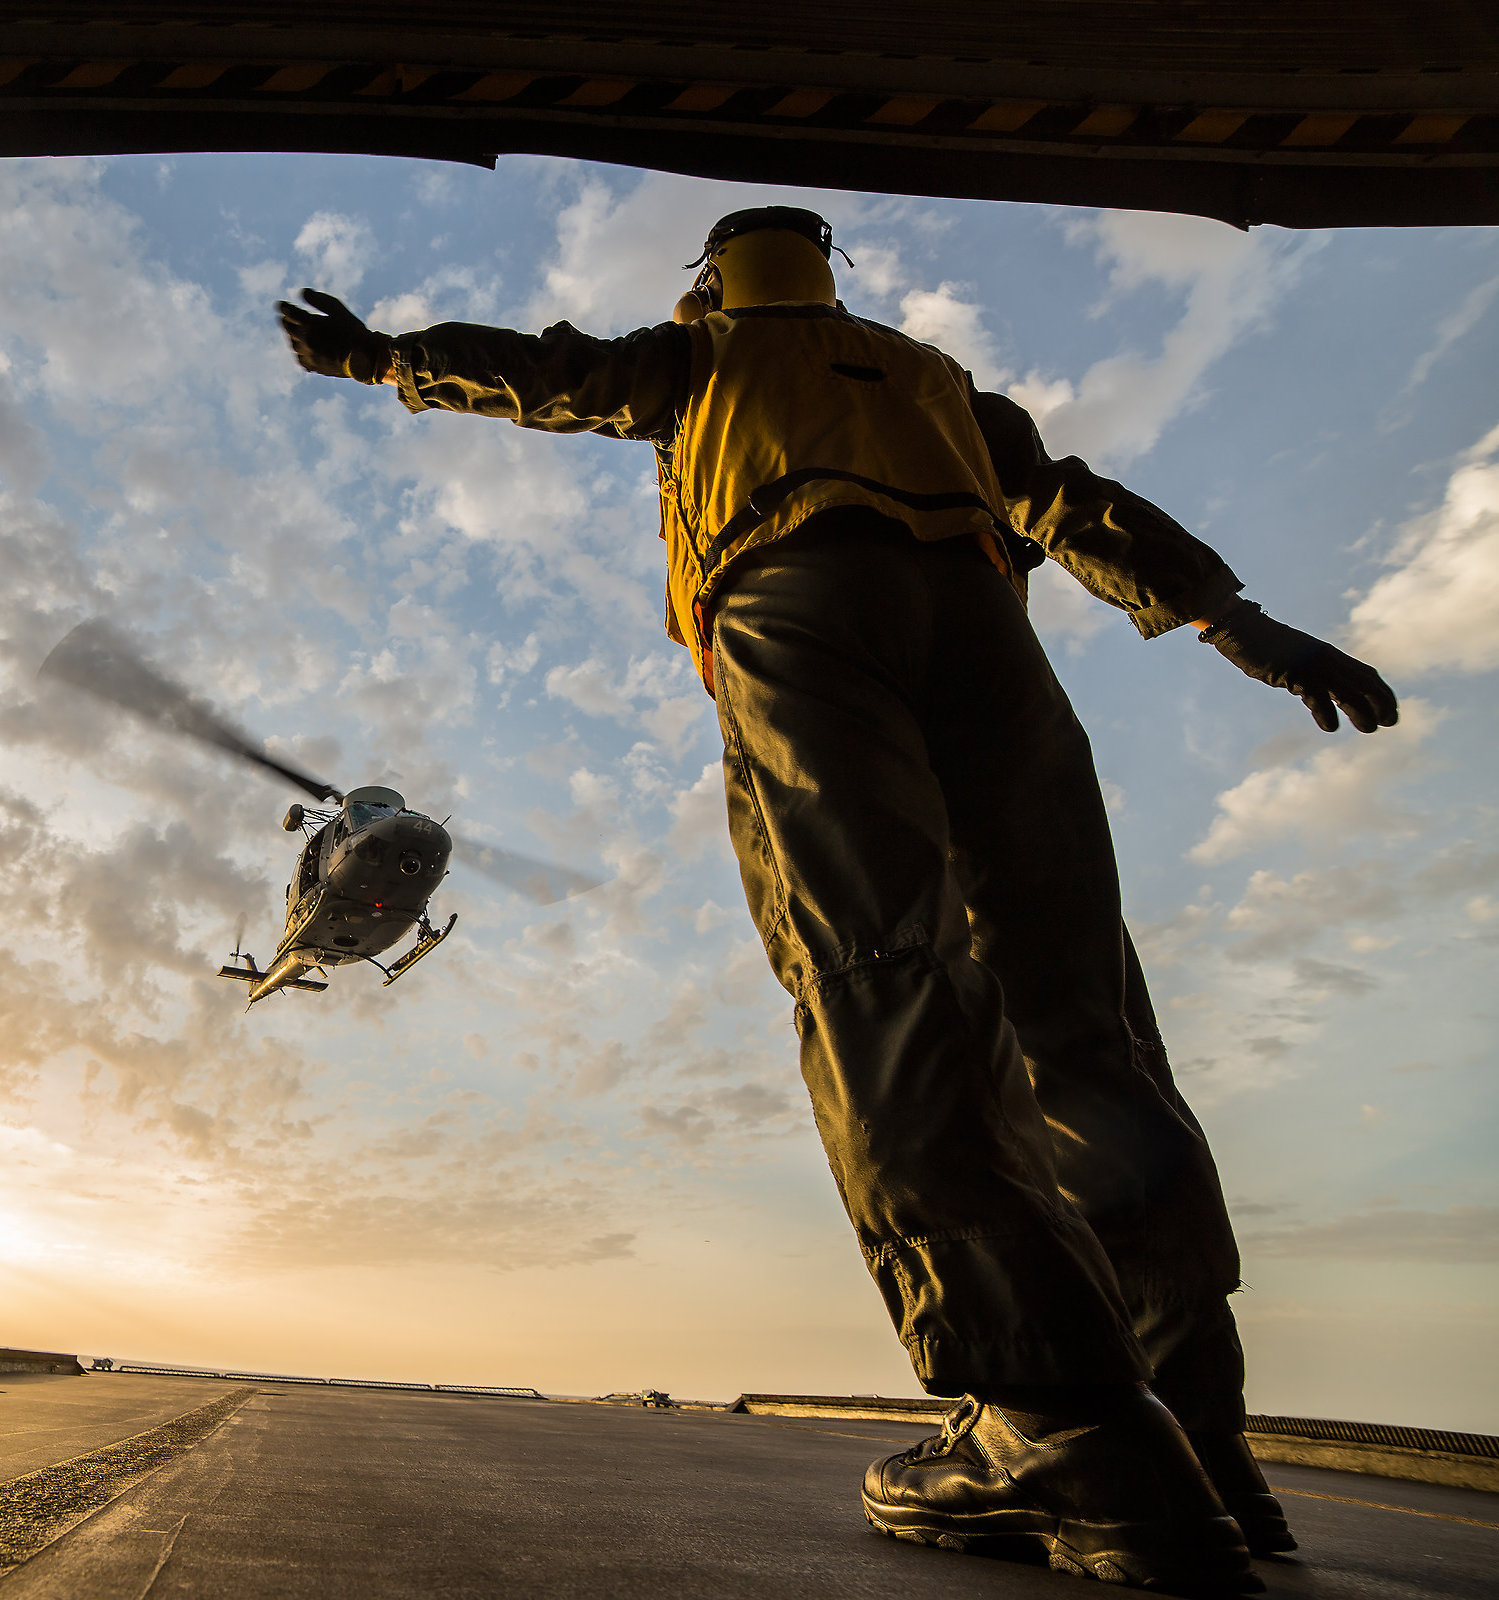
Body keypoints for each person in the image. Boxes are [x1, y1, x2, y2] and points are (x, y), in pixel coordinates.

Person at [277, 206, 1398, 1592]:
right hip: (985, 633)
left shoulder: (702, 359)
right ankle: (1198, 1438)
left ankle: (1054, 1419)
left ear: (710, 287)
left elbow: (542, 370)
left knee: (882, 974)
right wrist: (1226, 613)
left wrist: (381, 356)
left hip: (793, 606)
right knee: (1080, 1013)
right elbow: (1071, 500)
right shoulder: (934, 382)